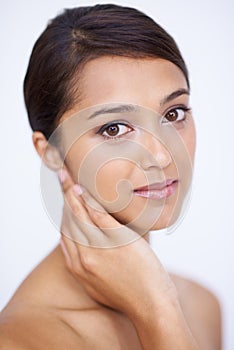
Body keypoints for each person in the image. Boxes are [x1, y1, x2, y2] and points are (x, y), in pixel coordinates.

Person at [0, 4, 222, 349]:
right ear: (51, 152)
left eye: (174, 113)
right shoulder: (18, 340)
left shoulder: (201, 306)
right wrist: (156, 310)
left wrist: (158, 308)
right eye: (115, 128)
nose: (163, 155)